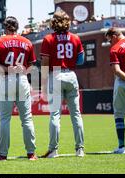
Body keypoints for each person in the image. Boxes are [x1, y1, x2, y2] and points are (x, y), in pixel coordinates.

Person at [0, 16, 38, 161]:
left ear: (5, 27)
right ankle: (31, 153)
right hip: (22, 79)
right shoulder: (26, 42)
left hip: (6, 79)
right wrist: (22, 69)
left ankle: (3, 154)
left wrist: (8, 68)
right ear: (17, 27)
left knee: (5, 119)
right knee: (27, 119)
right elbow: (31, 66)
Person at [40, 11, 85, 158]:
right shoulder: (76, 38)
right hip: (71, 75)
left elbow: (45, 63)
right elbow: (80, 60)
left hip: (56, 75)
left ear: (54, 22)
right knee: (76, 115)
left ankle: (53, 150)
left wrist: (44, 82)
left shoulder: (48, 39)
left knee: (55, 115)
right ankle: (80, 149)